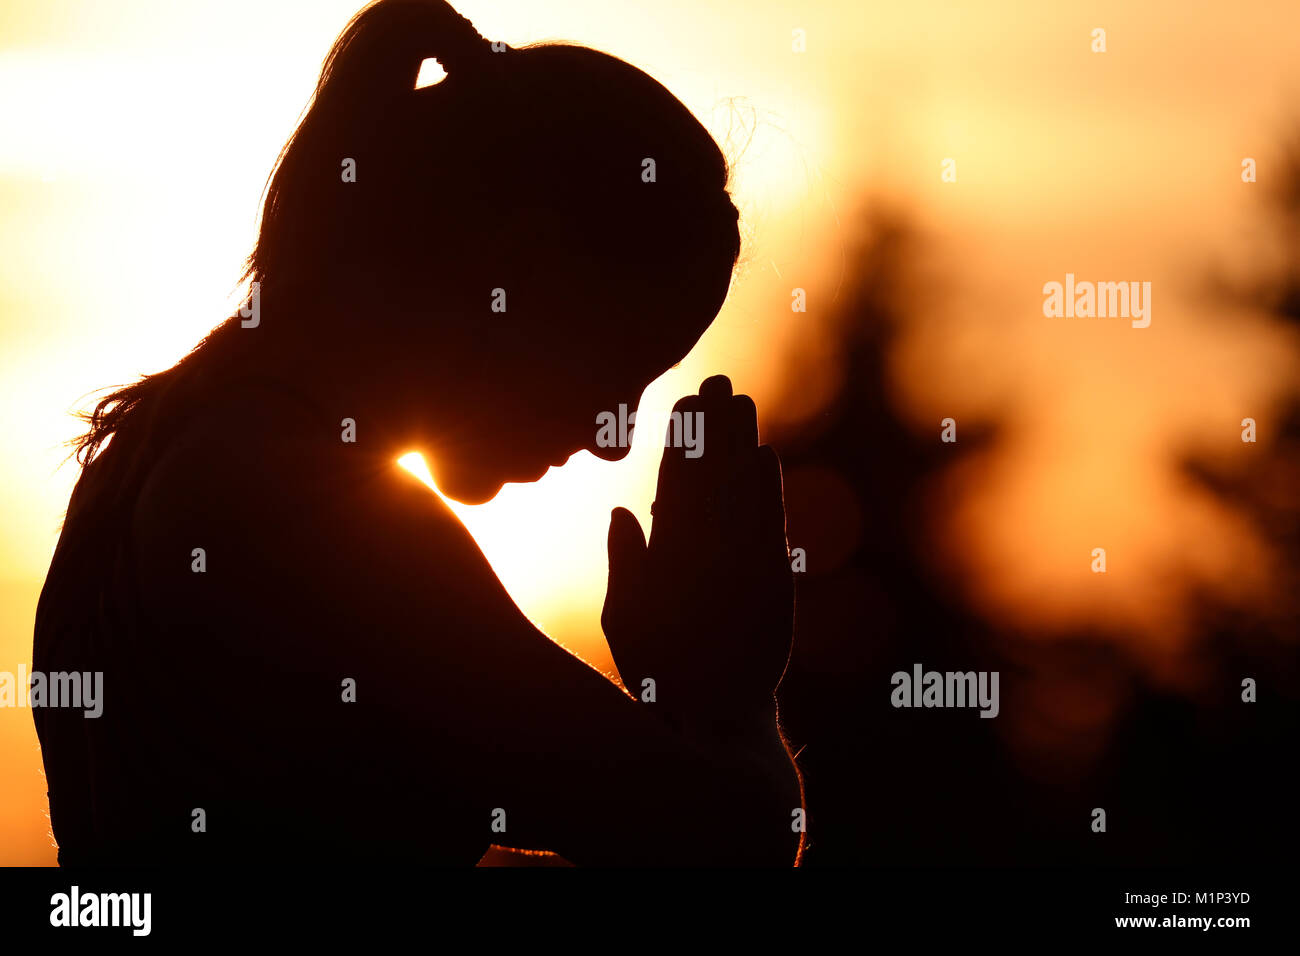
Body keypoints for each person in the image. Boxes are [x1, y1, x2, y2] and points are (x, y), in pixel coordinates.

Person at [33, 0, 802, 865]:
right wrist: (727, 699)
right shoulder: (309, 519)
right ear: (512, 272)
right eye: (613, 367)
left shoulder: (141, 463)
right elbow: (728, 838)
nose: (613, 438)